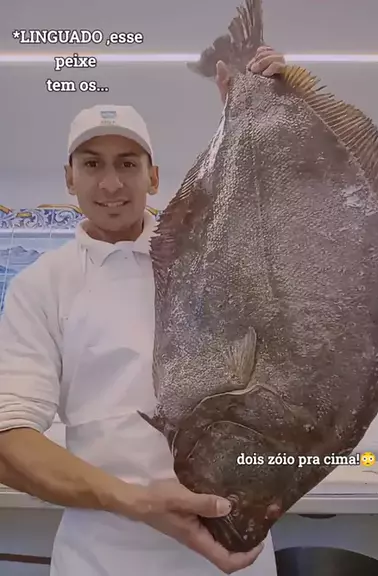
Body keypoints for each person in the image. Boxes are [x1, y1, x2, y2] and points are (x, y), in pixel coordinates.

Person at [0, 48, 287, 575]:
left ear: (153, 177)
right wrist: (137, 502)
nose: (111, 184)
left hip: (233, 551)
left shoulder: (211, 258)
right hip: (103, 556)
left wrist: (264, 115)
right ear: (69, 178)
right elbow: (8, 437)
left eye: (128, 164)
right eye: (92, 164)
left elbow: (275, 224)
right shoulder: (40, 287)